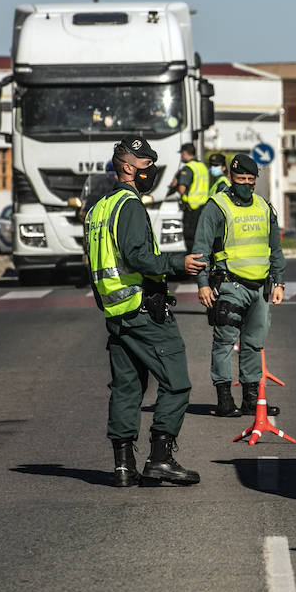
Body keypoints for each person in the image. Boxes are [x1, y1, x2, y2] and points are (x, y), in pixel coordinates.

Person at [87, 137, 206, 487]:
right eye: (145, 165)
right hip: (143, 309)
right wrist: (177, 264)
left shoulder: (99, 209)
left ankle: (123, 466)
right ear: (127, 167)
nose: (150, 170)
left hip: (116, 313)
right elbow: (138, 257)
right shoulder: (129, 206)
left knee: (127, 388)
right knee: (177, 382)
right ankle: (160, 457)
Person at [193, 152, 286, 417]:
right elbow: (201, 249)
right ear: (231, 178)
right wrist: (202, 284)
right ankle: (224, 400)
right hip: (229, 285)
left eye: (250, 179)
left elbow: (275, 249)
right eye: (240, 178)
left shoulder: (263, 207)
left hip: (259, 289)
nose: (245, 184)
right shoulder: (217, 206)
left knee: (254, 344)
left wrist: (279, 282)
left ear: (256, 180)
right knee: (223, 343)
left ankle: (250, 399)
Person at [167, 142, 210, 252]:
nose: (181, 156)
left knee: (190, 237)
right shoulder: (202, 167)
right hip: (203, 207)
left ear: (185, 153)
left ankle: (192, 260)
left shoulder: (188, 168)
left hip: (191, 208)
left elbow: (181, 189)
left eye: (182, 154)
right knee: (201, 236)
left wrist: (175, 188)